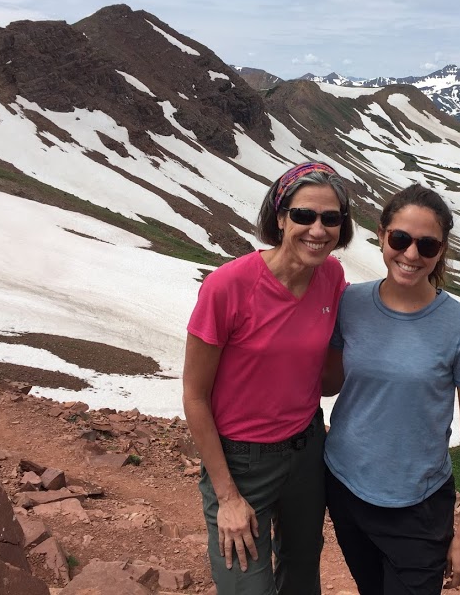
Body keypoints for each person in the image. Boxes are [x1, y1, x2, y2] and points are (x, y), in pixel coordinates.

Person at [182, 161, 354, 595]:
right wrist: (227, 497)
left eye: (331, 219)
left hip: (305, 449)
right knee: (245, 584)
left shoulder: (331, 276)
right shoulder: (228, 287)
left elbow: (327, 380)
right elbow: (195, 395)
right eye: (304, 215)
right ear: (279, 218)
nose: (318, 229)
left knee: (301, 572)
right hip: (242, 462)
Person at [323, 183, 460, 594]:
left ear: (442, 249)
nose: (411, 255)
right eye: (400, 239)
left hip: (419, 506)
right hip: (345, 488)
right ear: (381, 235)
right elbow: (328, 383)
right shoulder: (350, 303)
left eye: (427, 245)